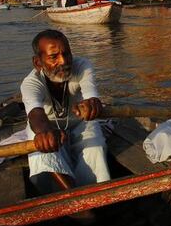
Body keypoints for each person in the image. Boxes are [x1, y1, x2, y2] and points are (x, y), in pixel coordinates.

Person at [21, 29, 111, 194]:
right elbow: (35, 114)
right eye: (53, 57)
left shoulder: (82, 66)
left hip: (79, 123)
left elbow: (91, 94)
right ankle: (69, 201)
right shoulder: (30, 83)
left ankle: (96, 194)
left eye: (66, 54)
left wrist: (91, 104)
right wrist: (45, 132)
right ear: (38, 63)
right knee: (41, 145)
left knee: (95, 146)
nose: (63, 61)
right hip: (48, 126)